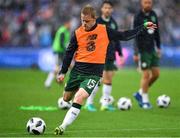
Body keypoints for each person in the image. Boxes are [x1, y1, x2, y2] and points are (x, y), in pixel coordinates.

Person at [54, 4, 156, 135]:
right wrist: (63, 71)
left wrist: (142, 27)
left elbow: (124, 35)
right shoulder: (78, 33)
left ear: (94, 19)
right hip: (77, 70)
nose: (84, 24)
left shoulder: (104, 30)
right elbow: (69, 53)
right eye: (82, 20)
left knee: (79, 98)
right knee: (66, 98)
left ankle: (62, 126)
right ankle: (74, 91)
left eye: (87, 21)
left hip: (94, 73)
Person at [84, 0, 124, 112]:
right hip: (98, 55)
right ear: (101, 9)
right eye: (105, 7)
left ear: (112, 10)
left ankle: (105, 103)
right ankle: (89, 103)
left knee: (108, 79)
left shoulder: (114, 23)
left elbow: (117, 39)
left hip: (110, 54)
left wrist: (120, 54)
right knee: (97, 80)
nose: (107, 10)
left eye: (109, 8)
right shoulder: (96, 22)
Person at [133, 0, 161, 109]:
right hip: (142, 50)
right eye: (146, 2)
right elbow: (135, 34)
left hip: (152, 49)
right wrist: (136, 52)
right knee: (146, 75)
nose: (148, 4)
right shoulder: (137, 17)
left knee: (156, 74)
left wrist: (158, 47)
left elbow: (156, 32)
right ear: (141, 3)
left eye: (149, 2)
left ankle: (139, 93)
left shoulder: (153, 15)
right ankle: (145, 101)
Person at [44, 18, 71, 88]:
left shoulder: (66, 31)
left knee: (66, 66)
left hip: (61, 51)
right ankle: (48, 83)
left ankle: (59, 79)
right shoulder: (62, 31)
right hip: (58, 51)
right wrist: (66, 50)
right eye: (69, 24)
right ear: (66, 24)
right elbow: (61, 43)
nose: (70, 25)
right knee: (57, 67)